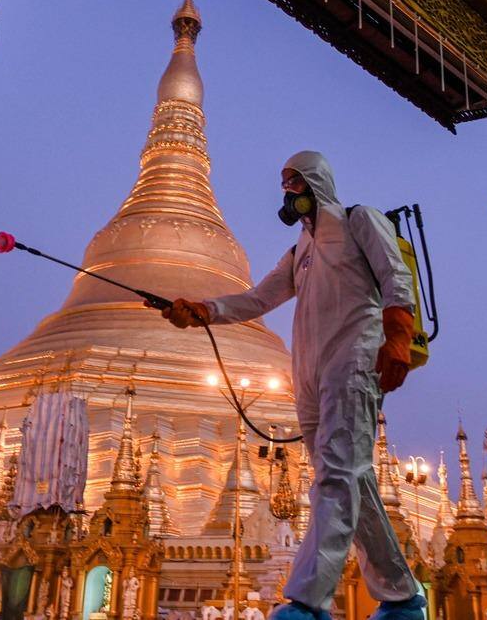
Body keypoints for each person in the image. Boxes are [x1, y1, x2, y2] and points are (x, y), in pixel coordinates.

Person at [155, 151, 425, 620]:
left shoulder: (359, 221)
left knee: (336, 475)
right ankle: (402, 595)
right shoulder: (300, 250)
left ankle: (306, 601)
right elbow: (259, 299)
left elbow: (395, 277)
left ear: (318, 182)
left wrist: (398, 338)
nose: (288, 191)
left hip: (353, 360)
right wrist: (203, 311)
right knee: (350, 477)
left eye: (295, 181)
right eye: (284, 183)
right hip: (308, 370)